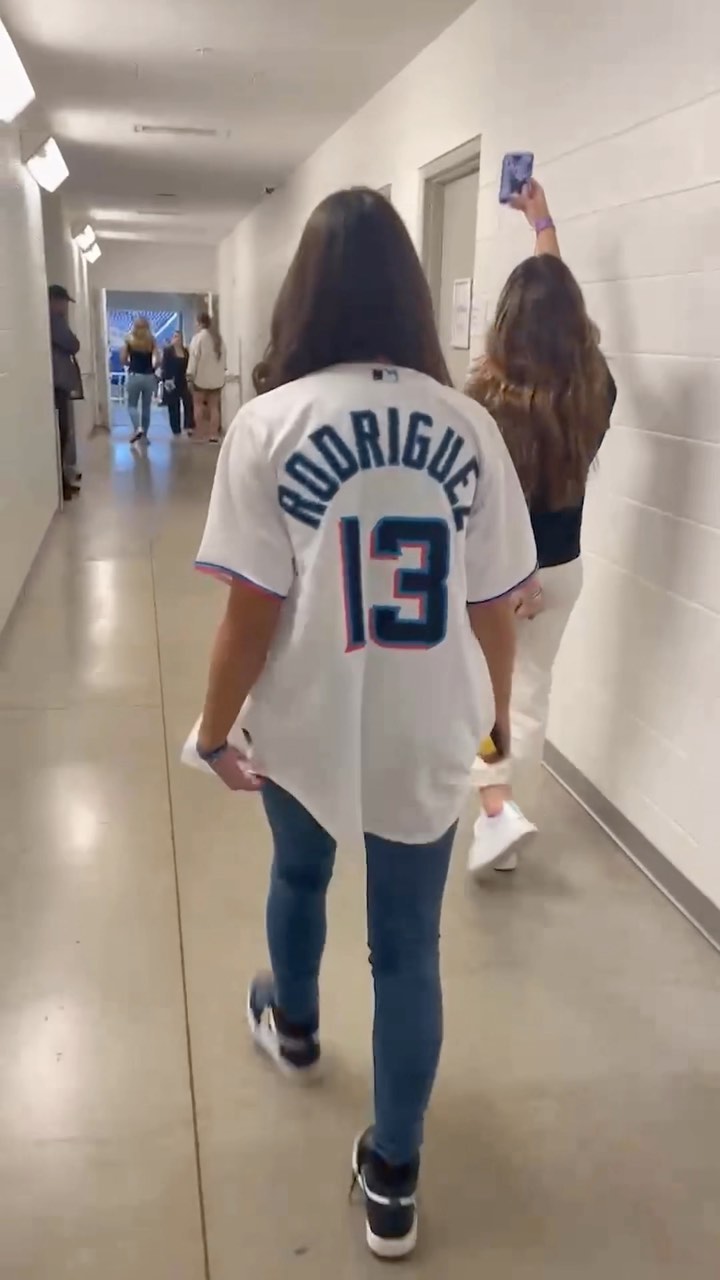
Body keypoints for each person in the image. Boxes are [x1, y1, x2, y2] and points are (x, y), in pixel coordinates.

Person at [192, 188, 536, 1259]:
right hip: (427, 726)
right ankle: (393, 1177)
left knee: (299, 874)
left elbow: (250, 611)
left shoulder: (269, 422)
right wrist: (496, 725)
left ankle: (294, 1025)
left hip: (304, 717)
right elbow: (493, 607)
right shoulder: (470, 427)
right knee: (408, 948)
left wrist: (212, 731)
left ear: (303, 294)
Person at [464, 180, 616, 875]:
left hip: (503, 573)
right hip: (563, 570)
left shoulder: (484, 400)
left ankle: (494, 809)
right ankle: (502, 824)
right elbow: (555, 307)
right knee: (529, 694)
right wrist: (541, 222)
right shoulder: (595, 390)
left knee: (485, 695)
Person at [48, 284, 83, 500]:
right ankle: (61, 484)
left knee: (62, 433)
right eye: (63, 302)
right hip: (58, 384)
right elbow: (73, 343)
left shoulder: (54, 319)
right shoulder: (54, 320)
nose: (65, 307)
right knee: (60, 433)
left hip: (59, 383)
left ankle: (63, 481)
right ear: (54, 300)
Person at [187, 311, 225, 442]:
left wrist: (190, 375)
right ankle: (213, 434)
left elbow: (193, 359)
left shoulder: (198, 338)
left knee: (198, 405)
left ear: (199, 323)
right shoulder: (218, 339)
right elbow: (223, 361)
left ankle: (201, 433)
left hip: (200, 379)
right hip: (217, 380)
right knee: (214, 407)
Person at [121, 317, 158, 444]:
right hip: (149, 376)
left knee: (132, 405)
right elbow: (158, 359)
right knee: (146, 407)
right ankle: (145, 436)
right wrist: (153, 368)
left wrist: (130, 364)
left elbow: (123, 358)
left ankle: (137, 428)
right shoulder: (152, 341)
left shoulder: (129, 340)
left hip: (134, 375)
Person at [161, 330, 194, 436]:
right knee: (173, 405)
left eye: (179, 337)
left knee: (188, 402)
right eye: (175, 337)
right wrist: (165, 380)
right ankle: (175, 428)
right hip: (171, 380)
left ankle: (188, 426)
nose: (177, 339)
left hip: (182, 380)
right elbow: (164, 366)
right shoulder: (168, 351)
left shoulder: (185, 351)